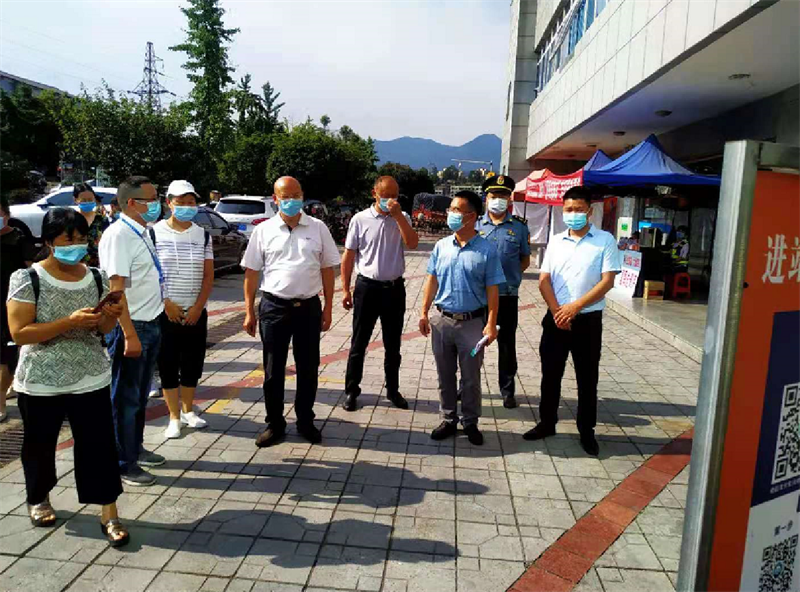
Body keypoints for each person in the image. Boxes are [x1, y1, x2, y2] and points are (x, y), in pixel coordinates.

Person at [6, 208, 129, 546]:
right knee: (39, 445)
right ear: (48, 242)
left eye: (81, 238)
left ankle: (109, 511)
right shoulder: (27, 278)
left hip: (90, 376)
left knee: (99, 446)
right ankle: (39, 498)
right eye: (67, 239)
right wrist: (68, 322)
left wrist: (111, 316)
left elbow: (102, 329)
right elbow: (20, 333)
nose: (76, 245)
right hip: (41, 379)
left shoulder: (97, 277)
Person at [242, 176, 340, 447]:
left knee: (308, 368)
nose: (291, 201)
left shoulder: (318, 228)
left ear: (303, 196)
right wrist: (249, 311)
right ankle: (275, 424)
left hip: (308, 307)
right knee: (273, 370)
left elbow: (328, 269)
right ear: (275, 199)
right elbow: (251, 272)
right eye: (285, 197)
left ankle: (305, 421)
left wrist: (328, 308)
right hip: (274, 307)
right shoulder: (263, 230)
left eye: (296, 195)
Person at [523, 186, 621, 456]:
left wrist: (575, 307)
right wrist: (558, 311)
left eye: (578, 209)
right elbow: (544, 280)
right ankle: (547, 422)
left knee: (587, 378)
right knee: (550, 374)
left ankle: (586, 431)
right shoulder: (556, 241)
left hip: (587, 321)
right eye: (568, 209)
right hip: (555, 319)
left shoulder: (604, 240)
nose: (573, 214)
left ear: (590, 211)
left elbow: (607, 281)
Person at [419, 191, 505, 446]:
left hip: (472, 326)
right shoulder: (441, 246)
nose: (451, 215)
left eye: (457, 210)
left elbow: (493, 290)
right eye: (451, 210)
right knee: (444, 374)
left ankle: (470, 422)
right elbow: (431, 279)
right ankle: (448, 419)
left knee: (471, 377)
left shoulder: (487, 250)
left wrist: (491, 323)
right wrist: (423, 311)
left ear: (472, 216)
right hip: (442, 322)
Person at [99, 175, 166, 486]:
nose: (156, 205)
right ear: (131, 203)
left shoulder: (142, 232)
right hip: (132, 326)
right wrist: (129, 334)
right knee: (125, 399)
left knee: (139, 396)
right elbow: (116, 291)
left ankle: (135, 448)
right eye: (150, 200)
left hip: (150, 322)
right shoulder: (118, 236)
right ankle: (123, 462)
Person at [341, 176, 419, 412]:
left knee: (393, 345)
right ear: (374, 193)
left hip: (394, 288)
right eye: (385, 195)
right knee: (359, 342)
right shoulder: (360, 219)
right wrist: (345, 289)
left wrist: (398, 217)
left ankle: (393, 390)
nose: (390, 200)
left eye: (394, 195)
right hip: (367, 288)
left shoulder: (402, 217)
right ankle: (351, 390)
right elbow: (349, 255)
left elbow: (412, 243)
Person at [151, 181, 214, 439]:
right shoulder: (153, 233)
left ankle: (188, 410)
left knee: (192, 363)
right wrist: (166, 302)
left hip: (195, 311)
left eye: (191, 202)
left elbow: (208, 275)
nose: (187, 207)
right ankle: (173, 416)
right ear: (169, 203)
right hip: (165, 311)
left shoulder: (203, 235)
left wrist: (198, 307)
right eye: (181, 202)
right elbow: (150, 273)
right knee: (167, 364)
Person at [476, 174, 530, 409]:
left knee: (507, 346)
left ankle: (507, 391)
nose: (498, 199)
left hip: (507, 295)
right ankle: (466, 386)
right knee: (473, 343)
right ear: (486, 198)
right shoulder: (475, 225)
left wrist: (510, 278)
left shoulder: (519, 227)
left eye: (503, 195)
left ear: (509, 199)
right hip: (478, 297)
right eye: (494, 195)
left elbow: (525, 259)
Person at [0, 196, 37, 422]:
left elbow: (33, 271)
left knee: (5, 355)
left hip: (11, 305)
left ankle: (1, 402)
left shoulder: (19, 240)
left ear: (6, 214)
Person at [74, 183, 109, 267]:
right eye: (84, 200)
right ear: (76, 200)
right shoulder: (71, 219)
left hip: (100, 264)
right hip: (77, 265)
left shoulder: (101, 219)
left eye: (90, 199)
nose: (87, 202)